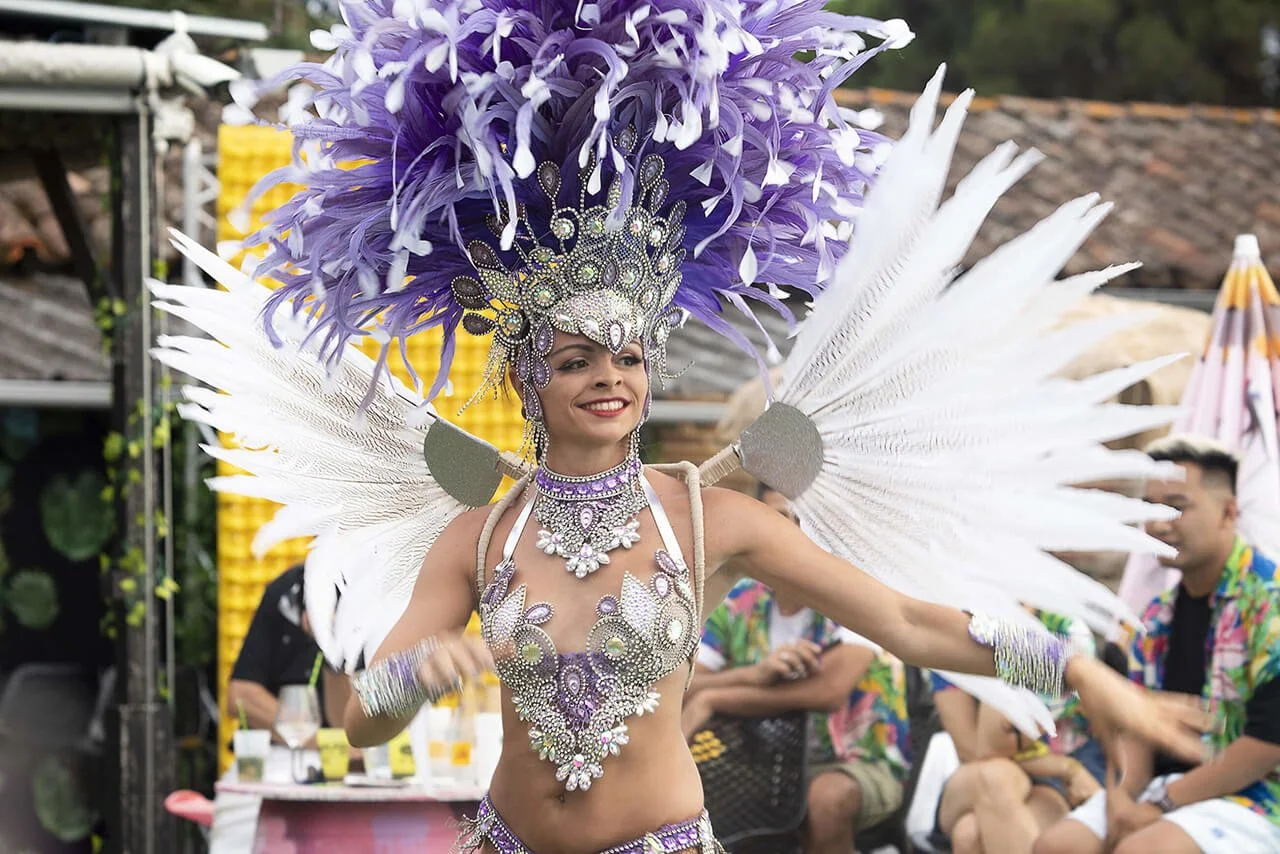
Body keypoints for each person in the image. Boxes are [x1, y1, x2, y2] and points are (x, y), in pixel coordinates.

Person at [155, 3, 1215, 853]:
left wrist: (1085, 677)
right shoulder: (474, 531)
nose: (607, 378)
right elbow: (357, 720)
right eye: (575, 358)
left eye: (625, 355)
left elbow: (909, 620)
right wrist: (413, 671)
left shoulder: (708, 521)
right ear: (529, 377)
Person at [1034, 435, 1280, 854]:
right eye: (1151, 509)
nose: (1160, 523)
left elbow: (1266, 745)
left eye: (1177, 506)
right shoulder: (1154, 616)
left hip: (1256, 795)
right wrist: (1121, 799)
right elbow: (1135, 727)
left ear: (1228, 512)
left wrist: (1165, 803)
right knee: (1058, 845)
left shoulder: (1269, 603)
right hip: (1162, 789)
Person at [685, 487, 910, 853]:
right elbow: (688, 683)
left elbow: (828, 691)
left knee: (826, 799)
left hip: (853, 761)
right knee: (683, 797)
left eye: (802, 519)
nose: (790, 530)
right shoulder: (740, 599)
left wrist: (717, 698)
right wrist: (750, 676)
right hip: (757, 763)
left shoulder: (854, 595)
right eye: (778, 517)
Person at [930, 606, 1104, 854]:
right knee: (995, 775)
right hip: (980, 774)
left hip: (1059, 781)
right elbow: (980, 751)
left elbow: (1010, 736)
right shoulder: (952, 633)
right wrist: (1063, 768)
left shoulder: (1065, 629)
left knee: (969, 834)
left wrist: (1011, 629)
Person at [227, 565, 350, 739]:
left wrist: (333, 654)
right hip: (278, 752)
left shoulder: (373, 600)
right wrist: (312, 738)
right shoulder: (287, 590)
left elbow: (350, 726)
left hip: (339, 753)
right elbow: (239, 697)